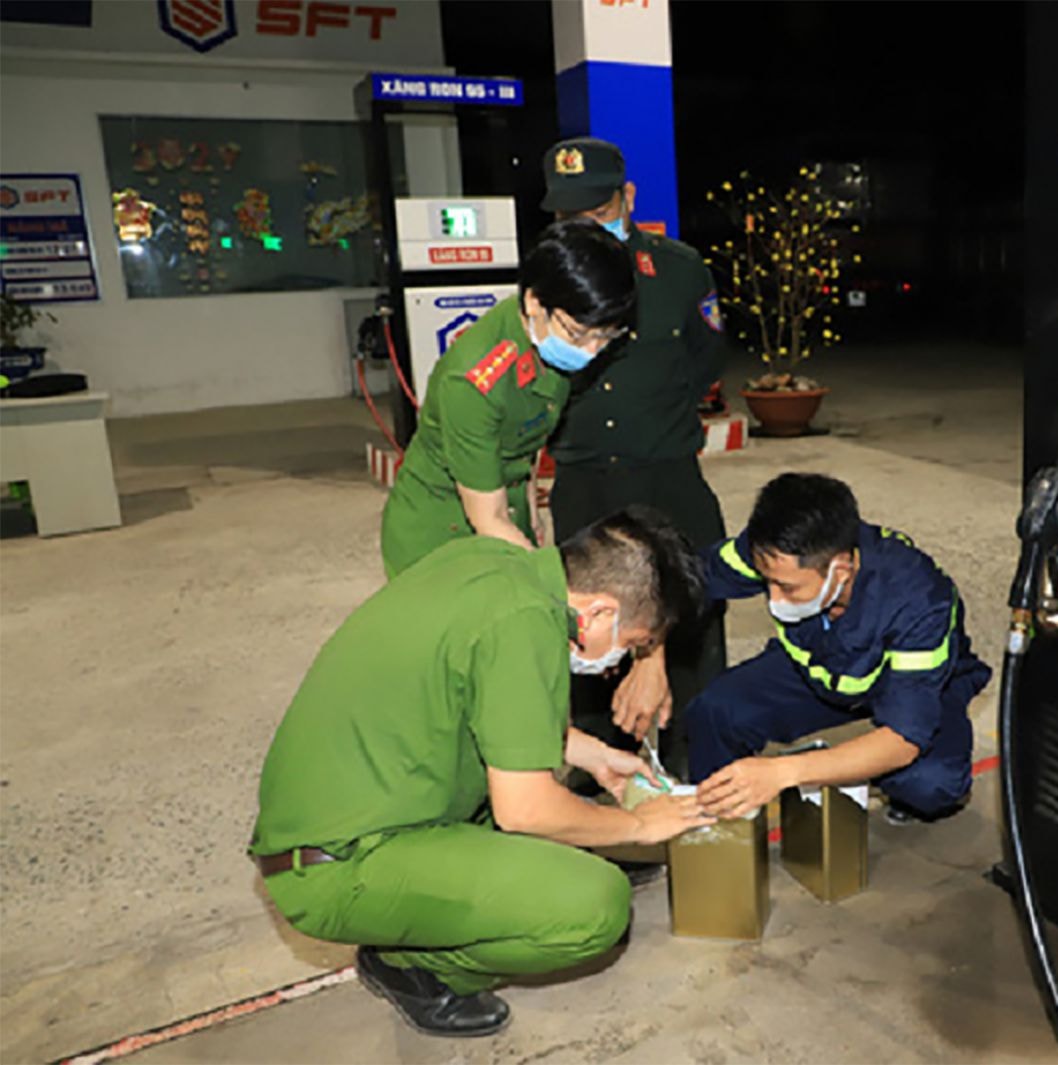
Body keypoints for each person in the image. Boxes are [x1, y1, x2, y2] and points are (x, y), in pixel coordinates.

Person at [249, 507, 713, 1037]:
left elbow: (470, 692)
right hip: (336, 867)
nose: (615, 664)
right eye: (631, 644)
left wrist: (587, 752)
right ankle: (412, 967)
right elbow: (525, 811)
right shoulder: (525, 625)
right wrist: (640, 827)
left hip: (342, 813)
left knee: (565, 831)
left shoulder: (493, 564)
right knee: (595, 906)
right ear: (601, 611)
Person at [539, 137, 734, 782]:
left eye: (599, 209)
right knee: (581, 634)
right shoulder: (545, 273)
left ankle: (699, 765)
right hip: (584, 481)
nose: (588, 227)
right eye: (573, 218)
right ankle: (599, 774)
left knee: (693, 615)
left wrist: (662, 416)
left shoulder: (679, 270)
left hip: (665, 473)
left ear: (628, 197)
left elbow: (707, 355)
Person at [636, 473, 992, 822]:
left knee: (929, 784)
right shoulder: (773, 552)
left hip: (911, 685)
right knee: (714, 712)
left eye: (788, 589)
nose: (774, 599)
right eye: (767, 583)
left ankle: (881, 775)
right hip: (819, 669)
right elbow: (684, 583)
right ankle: (719, 823)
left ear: (841, 570)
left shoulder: (918, 600)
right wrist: (649, 659)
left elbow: (903, 739)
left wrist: (782, 772)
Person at [379, 218, 636, 579]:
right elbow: (489, 518)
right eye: (579, 334)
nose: (592, 351)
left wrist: (530, 512)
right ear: (534, 302)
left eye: (606, 336)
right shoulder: (473, 383)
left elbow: (525, 440)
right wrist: (552, 586)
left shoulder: (547, 335)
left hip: (504, 503)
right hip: (440, 528)